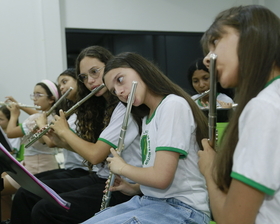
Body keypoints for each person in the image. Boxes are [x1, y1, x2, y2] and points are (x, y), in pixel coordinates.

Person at [10, 46, 143, 224]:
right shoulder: (99, 108)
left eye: (95, 72)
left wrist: (64, 131)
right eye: (84, 77)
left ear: (110, 67)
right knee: (26, 194)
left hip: (123, 185)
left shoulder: (123, 107)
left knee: (44, 209)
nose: (90, 81)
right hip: (102, 177)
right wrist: (61, 141)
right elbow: (92, 151)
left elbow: (95, 155)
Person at [82, 52, 210, 224]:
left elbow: (161, 178)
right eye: (113, 91)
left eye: (120, 80)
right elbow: (160, 179)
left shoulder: (172, 105)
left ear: (140, 70)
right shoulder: (146, 118)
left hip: (183, 209)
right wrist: (133, 188)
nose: (119, 92)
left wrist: (123, 168)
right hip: (151, 202)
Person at [197, 5, 280, 224]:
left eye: (215, 41)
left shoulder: (264, 107)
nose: (207, 59)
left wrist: (209, 170)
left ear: (251, 35)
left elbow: (234, 221)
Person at [2, 80, 60, 223]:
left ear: (51, 99)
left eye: (38, 95)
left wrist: (14, 114)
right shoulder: (53, 117)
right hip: (46, 166)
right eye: (33, 95)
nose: (34, 98)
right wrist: (20, 106)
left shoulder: (37, 119)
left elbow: (10, 133)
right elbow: (37, 114)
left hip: (35, 170)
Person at [34, 68, 92, 181]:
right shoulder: (74, 112)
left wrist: (42, 126)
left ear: (79, 81)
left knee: (29, 191)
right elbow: (56, 142)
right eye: (60, 84)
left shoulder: (86, 113)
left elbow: (52, 143)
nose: (61, 87)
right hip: (72, 167)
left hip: (83, 169)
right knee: (32, 184)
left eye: (64, 82)